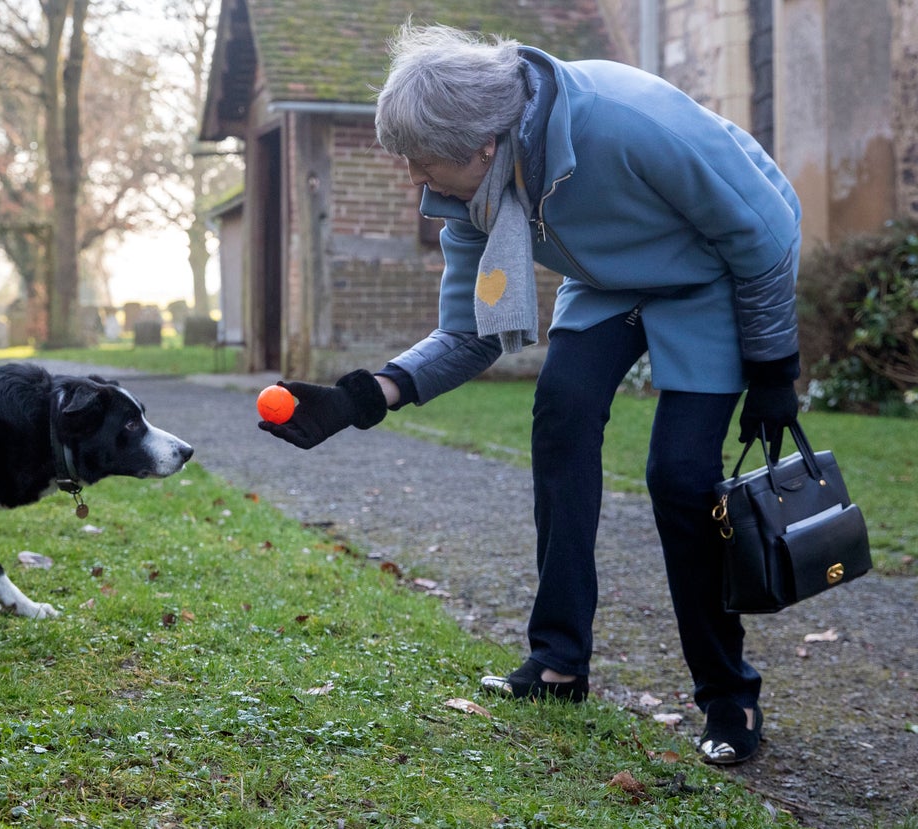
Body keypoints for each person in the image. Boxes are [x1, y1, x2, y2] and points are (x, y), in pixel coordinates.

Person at [258, 23, 801, 767]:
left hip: (710, 272)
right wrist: (363, 396)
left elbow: (762, 232)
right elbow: (469, 332)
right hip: (608, 284)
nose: (418, 183)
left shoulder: (625, 117)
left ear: (482, 143)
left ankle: (727, 691)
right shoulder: (477, 196)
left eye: (423, 165)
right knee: (561, 415)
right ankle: (558, 663)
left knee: (679, 476)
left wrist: (774, 368)